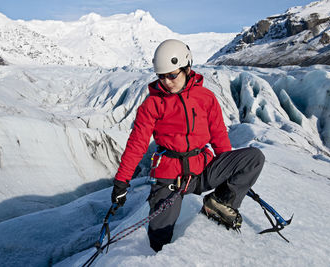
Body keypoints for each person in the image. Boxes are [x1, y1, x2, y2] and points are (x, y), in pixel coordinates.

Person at [111, 39, 265, 252]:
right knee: (159, 236)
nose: (166, 81)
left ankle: (219, 204)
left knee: (254, 157)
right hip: (169, 178)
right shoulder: (152, 104)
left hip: (202, 169)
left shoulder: (205, 98)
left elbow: (219, 136)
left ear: (187, 68)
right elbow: (137, 144)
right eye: (161, 76)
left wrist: (229, 173)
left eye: (172, 75)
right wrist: (121, 181)